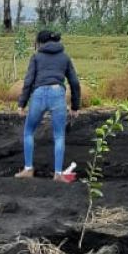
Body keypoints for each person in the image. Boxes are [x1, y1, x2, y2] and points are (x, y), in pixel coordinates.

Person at [15, 29, 81, 182]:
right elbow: (75, 83)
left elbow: (28, 81)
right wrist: (75, 106)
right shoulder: (65, 58)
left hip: (38, 94)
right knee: (59, 136)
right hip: (58, 94)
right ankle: (58, 174)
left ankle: (28, 169)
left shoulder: (36, 57)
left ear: (40, 42)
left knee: (29, 131)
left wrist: (22, 103)